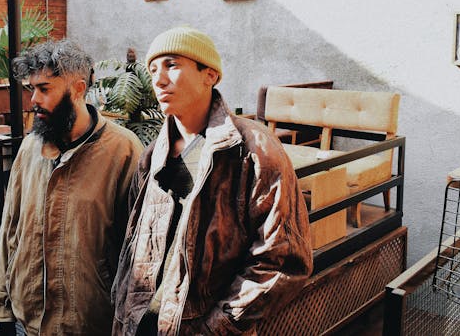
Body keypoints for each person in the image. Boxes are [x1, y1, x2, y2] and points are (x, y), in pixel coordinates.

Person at [112, 26, 313, 335]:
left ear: (210, 75)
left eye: (172, 64)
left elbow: (282, 259)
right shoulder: (152, 156)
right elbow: (134, 244)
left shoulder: (253, 150)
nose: (159, 79)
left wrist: (218, 326)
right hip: (144, 324)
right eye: (153, 69)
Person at [0, 39, 143, 335]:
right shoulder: (30, 148)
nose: (33, 99)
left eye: (44, 89)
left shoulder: (124, 151)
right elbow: (10, 229)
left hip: (91, 322)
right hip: (30, 320)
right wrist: (3, 311)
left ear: (78, 89)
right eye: (31, 88)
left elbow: (137, 251)